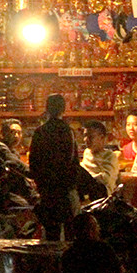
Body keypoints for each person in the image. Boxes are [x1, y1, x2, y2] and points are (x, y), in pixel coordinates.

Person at [29, 94, 80, 240]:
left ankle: (52, 261)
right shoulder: (67, 131)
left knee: (51, 232)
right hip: (65, 189)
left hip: (47, 190)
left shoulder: (40, 132)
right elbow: (73, 161)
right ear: (63, 109)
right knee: (70, 231)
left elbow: (34, 162)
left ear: (47, 109)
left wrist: (40, 183)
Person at [0, 118, 38, 205]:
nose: (16, 136)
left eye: (19, 133)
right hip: (4, 192)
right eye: (12, 132)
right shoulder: (0, 147)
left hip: (15, 190)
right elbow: (17, 165)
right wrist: (34, 173)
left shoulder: (14, 152)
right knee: (25, 206)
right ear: (4, 134)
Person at [80, 120, 120, 193]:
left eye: (90, 136)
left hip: (103, 195)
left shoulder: (110, 156)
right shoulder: (87, 153)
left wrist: (87, 179)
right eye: (85, 135)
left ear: (101, 137)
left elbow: (107, 179)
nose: (85, 139)